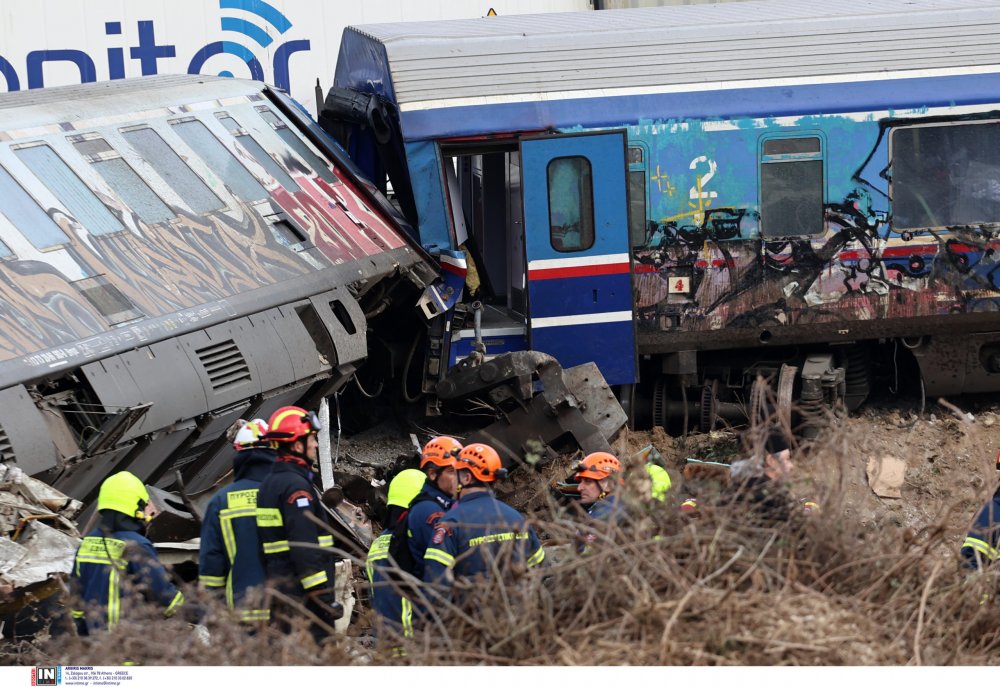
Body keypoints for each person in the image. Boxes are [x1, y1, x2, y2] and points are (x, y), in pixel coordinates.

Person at [255, 405, 343, 638]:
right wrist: (323, 599)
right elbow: (304, 547)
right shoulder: (296, 487)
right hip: (305, 600)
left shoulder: (269, 484)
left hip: (280, 590)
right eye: (312, 439)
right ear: (296, 445)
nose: (315, 445)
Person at [423, 443, 545, 600]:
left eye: (455, 473)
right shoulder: (516, 518)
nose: (453, 480)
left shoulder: (450, 522)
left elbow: (436, 587)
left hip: (472, 621)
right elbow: (540, 568)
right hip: (519, 618)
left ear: (466, 478)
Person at [70, 471, 185, 634]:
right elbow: (163, 596)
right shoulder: (136, 545)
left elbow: (75, 597)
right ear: (136, 505)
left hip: (93, 647)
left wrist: (83, 635)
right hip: (125, 646)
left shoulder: (87, 542)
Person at [198, 418, 275, 623]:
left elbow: (211, 564)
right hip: (287, 614)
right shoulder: (287, 493)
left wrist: (213, 608)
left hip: (241, 612)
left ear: (239, 455)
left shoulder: (220, 501)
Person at [365, 468, 426, 638]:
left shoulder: (378, 543)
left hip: (384, 640)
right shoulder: (412, 540)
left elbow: (373, 596)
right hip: (411, 641)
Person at [407, 436, 461, 580]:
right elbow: (443, 564)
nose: (459, 478)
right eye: (451, 471)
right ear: (432, 474)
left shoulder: (442, 504)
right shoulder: (429, 510)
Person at [723, 425, 798, 522]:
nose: (791, 466)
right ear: (771, 461)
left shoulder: (733, 489)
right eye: (787, 459)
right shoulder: (772, 498)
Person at [574, 452, 627, 524]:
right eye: (581, 482)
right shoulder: (614, 507)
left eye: (587, 481)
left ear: (609, 484)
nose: (579, 488)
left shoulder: (605, 516)